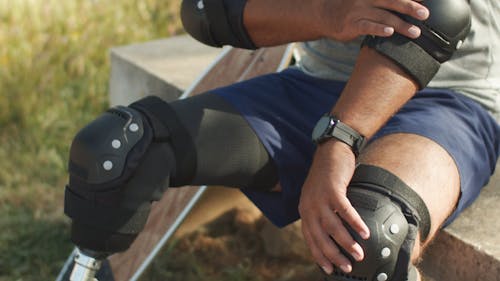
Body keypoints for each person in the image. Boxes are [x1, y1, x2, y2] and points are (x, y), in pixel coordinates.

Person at [63, 0, 500, 280]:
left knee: (371, 239)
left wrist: (338, 140)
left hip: (448, 95)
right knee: (119, 151)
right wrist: (328, 14)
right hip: (319, 83)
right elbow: (205, 9)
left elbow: (436, 15)